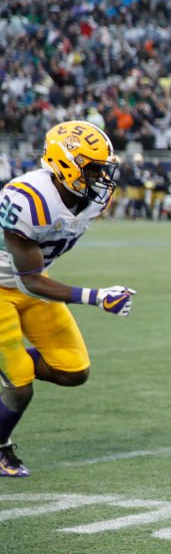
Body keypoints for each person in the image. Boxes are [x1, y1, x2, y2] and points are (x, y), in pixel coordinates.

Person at [0, 120, 135, 477]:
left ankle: (11, 364)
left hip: (30, 285)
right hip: (8, 287)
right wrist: (96, 297)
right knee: (20, 387)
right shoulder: (29, 199)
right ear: (65, 165)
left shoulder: (88, 199)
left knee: (73, 370)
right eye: (93, 169)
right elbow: (29, 279)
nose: (102, 177)